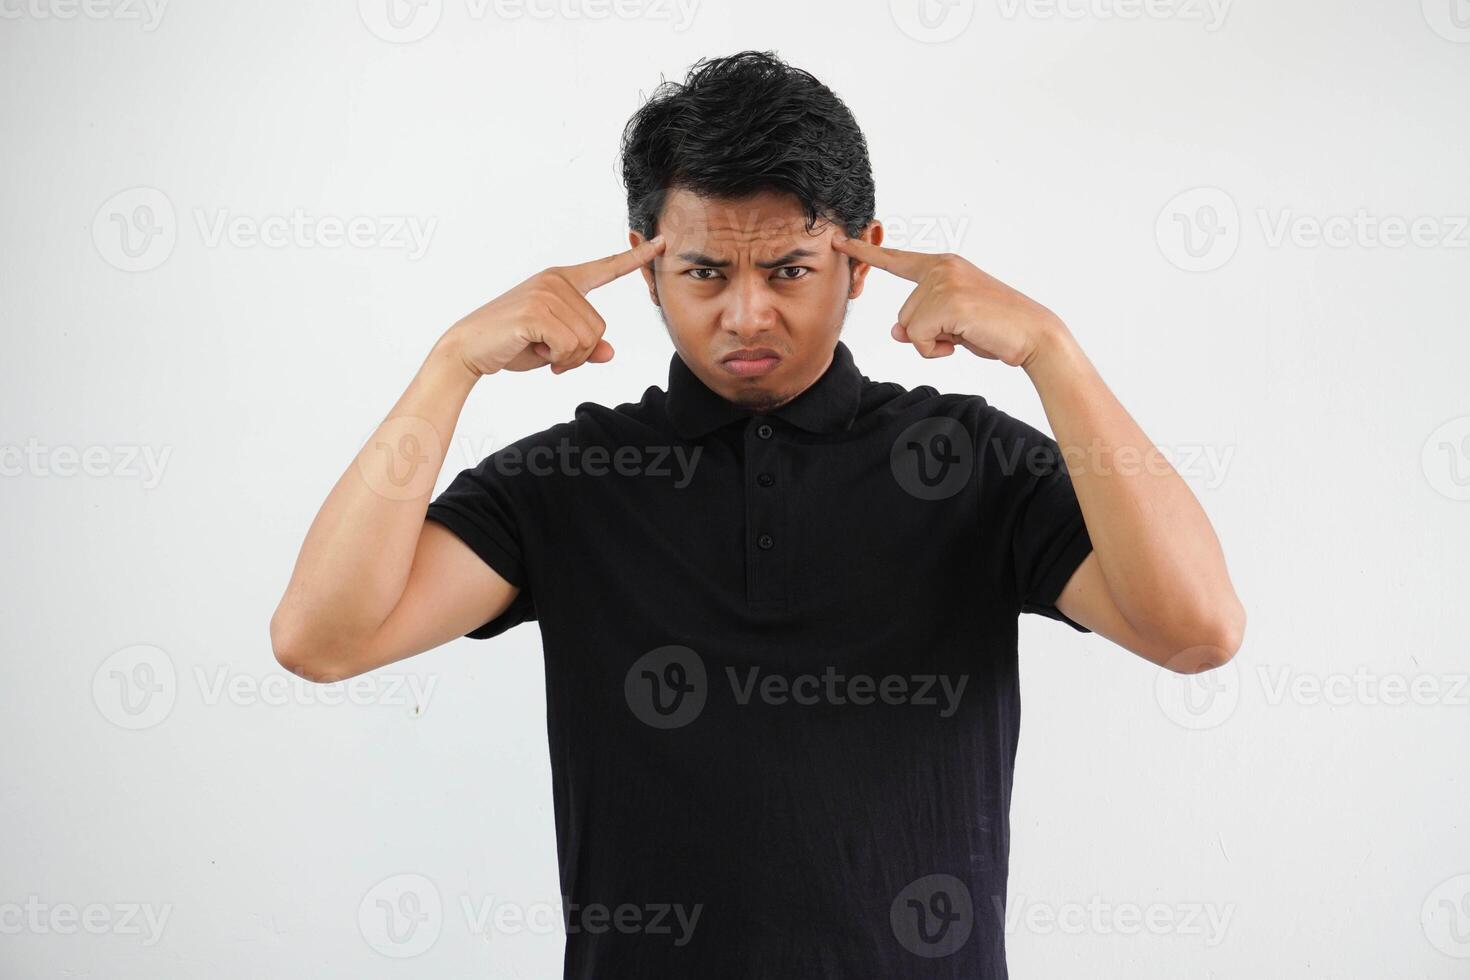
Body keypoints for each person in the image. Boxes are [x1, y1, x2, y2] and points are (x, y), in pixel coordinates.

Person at [270, 49, 1244, 979]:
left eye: (787, 269)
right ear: (646, 269)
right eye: (704, 272)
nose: (745, 314)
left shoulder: (965, 462)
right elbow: (323, 637)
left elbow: (1196, 628)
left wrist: (1053, 352)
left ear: (861, 264)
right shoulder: (574, 478)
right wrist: (450, 366)